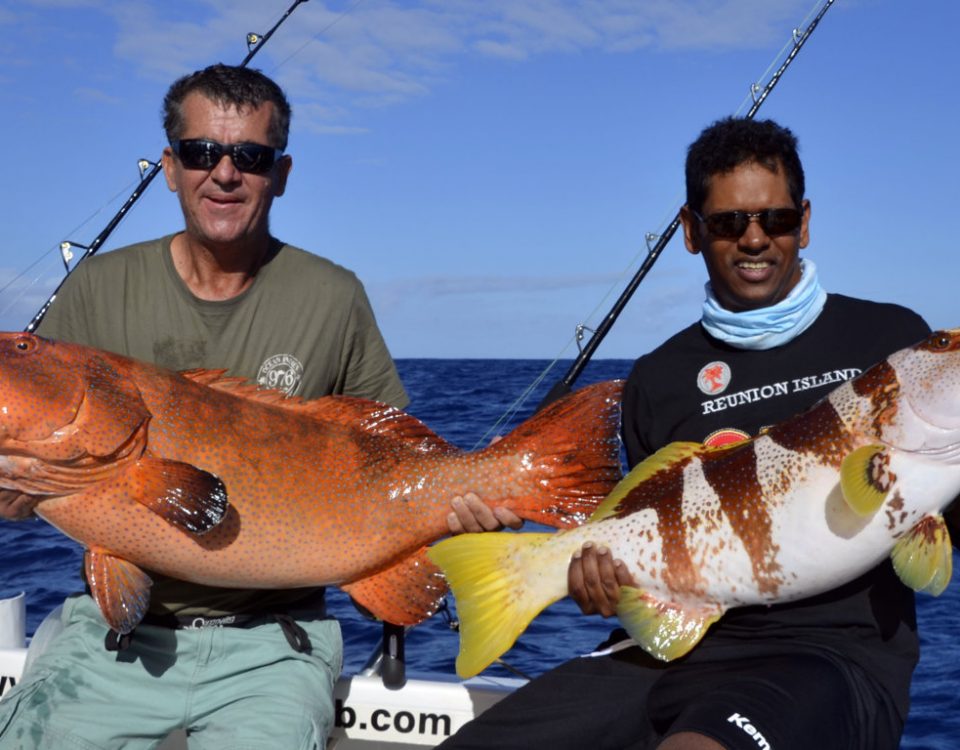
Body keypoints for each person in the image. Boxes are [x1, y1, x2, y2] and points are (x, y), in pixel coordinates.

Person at [0, 63, 487, 749]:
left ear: (280, 174)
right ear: (170, 167)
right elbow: (33, 487)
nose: (224, 173)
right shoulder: (99, 287)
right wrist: (12, 491)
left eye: (250, 157)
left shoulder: (333, 295)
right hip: (117, 638)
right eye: (202, 152)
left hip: (277, 644)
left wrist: (466, 493)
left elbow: (395, 449)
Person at [440, 117, 955, 750]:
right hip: (667, 646)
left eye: (778, 219)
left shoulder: (888, 338)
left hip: (826, 658)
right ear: (691, 231)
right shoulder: (659, 378)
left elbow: (932, 548)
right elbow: (646, 522)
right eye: (729, 223)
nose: (756, 239)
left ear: (806, 221)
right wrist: (603, 585)